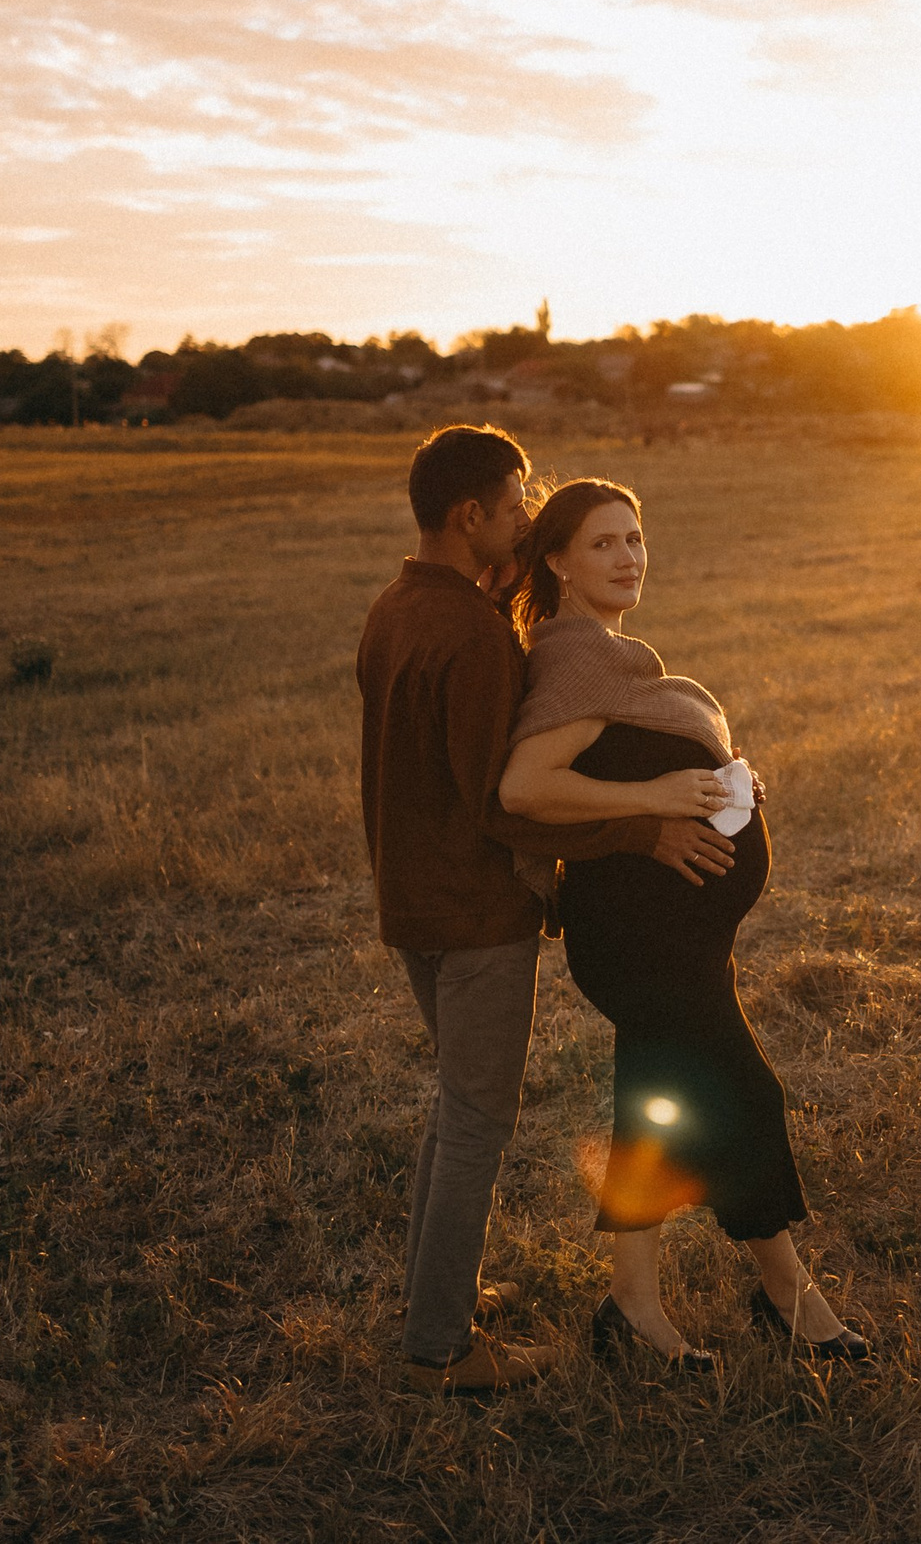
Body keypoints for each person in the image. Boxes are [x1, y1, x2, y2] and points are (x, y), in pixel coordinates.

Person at [355, 427, 738, 1396]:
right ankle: (441, 1349)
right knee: (478, 1119)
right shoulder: (476, 638)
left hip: (410, 898)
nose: (527, 517)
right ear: (468, 516)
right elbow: (508, 800)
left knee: (454, 1109)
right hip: (476, 910)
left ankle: (431, 1303)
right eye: (517, 502)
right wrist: (644, 828)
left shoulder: (395, 609)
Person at [499, 478, 870, 1368]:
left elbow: (643, 751)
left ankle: (632, 1306)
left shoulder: (610, 652)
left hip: (678, 936)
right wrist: (662, 792)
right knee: (745, 1094)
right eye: (603, 544)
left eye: (635, 539)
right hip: (640, 940)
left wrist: (721, 785)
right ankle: (789, 1295)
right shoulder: (577, 656)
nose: (628, 556)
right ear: (556, 560)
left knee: (655, 1113)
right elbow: (526, 787)